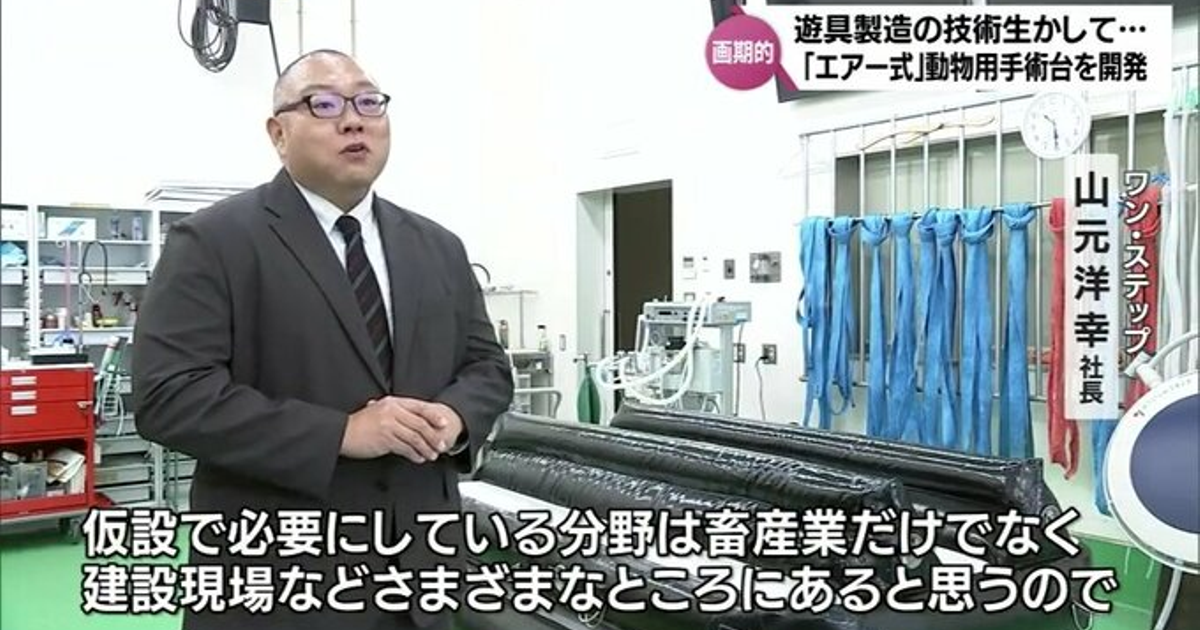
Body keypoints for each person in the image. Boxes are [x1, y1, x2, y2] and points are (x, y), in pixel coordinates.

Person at [132, 49, 514, 630]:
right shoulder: (214, 242)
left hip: (422, 575)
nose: (354, 120)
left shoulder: (438, 246)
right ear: (278, 133)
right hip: (284, 580)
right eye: (325, 104)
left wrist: (455, 416)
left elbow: (486, 365)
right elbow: (170, 396)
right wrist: (340, 433)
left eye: (369, 102)